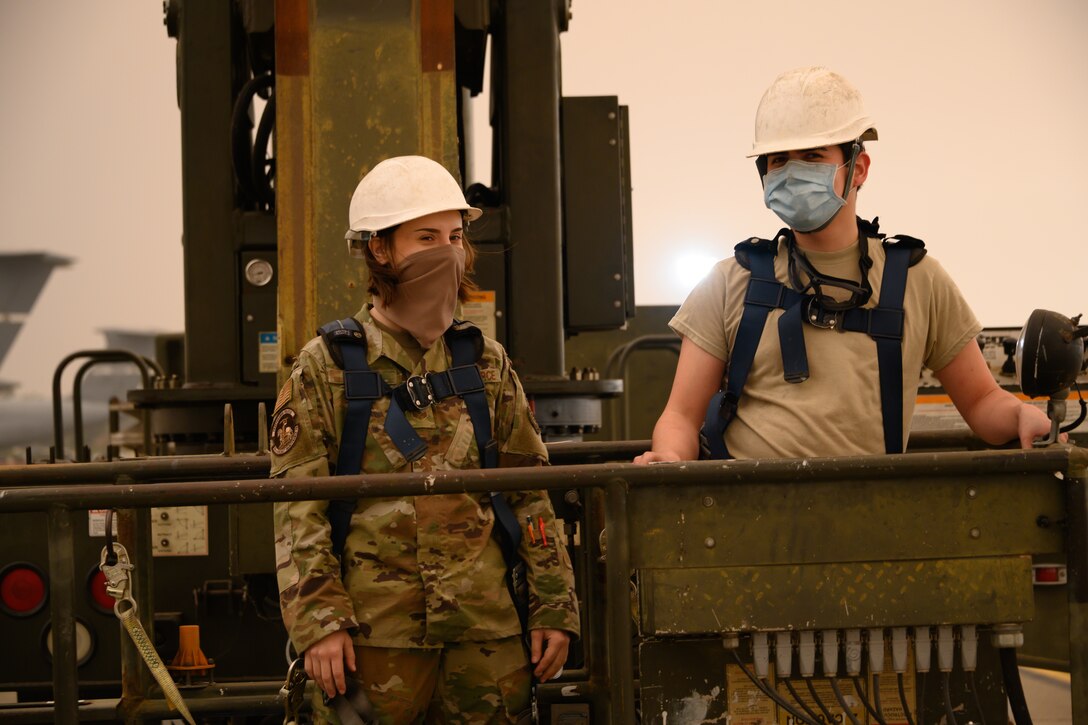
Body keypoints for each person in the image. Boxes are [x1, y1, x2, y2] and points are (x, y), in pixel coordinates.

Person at [271, 155, 580, 723]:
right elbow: (299, 510)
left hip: (487, 633)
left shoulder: (485, 361)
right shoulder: (326, 367)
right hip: (372, 637)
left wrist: (554, 605)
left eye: (456, 236)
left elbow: (531, 491)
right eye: (425, 237)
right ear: (379, 249)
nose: (447, 251)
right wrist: (319, 624)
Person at [635, 67, 1052, 464]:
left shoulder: (917, 282)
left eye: (812, 155)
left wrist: (1019, 416)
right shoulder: (729, 282)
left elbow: (981, 401)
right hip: (747, 522)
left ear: (859, 169)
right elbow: (681, 417)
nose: (792, 172)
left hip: (868, 524)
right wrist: (668, 456)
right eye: (778, 160)